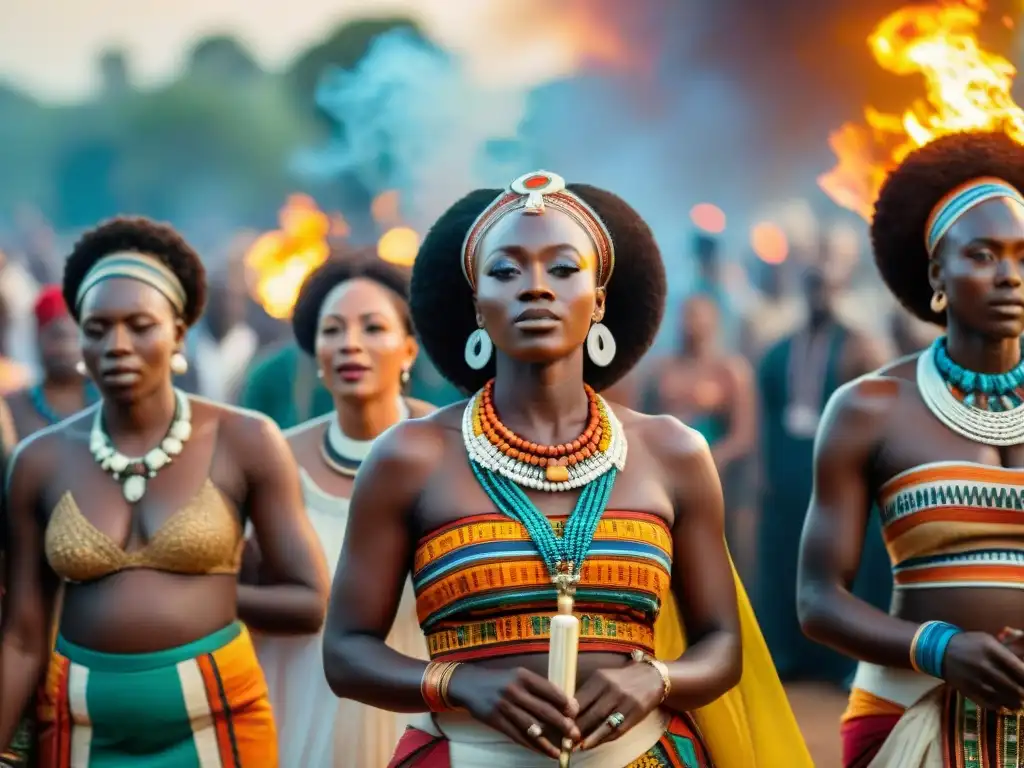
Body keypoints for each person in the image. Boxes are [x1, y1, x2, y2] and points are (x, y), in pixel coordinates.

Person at [322, 171, 810, 766]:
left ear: (598, 300)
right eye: (505, 271)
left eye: (562, 268)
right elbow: (346, 651)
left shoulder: (672, 452)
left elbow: (722, 646)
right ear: (478, 303)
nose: (535, 288)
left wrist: (653, 679)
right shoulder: (408, 456)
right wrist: (460, 683)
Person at [0, 217, 330, 767]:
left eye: (140, 325)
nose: (118, 345)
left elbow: (310, 601)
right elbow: (22, 637)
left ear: (178, 332)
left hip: (218, 722)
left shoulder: (244, 439)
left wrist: (196, 592)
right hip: (77, 727)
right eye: (98, 327)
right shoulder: (41, 459)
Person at [797, 132, 1024, 767]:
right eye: (982, 255)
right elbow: (817, 600)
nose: (1009, 276)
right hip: (908, 713)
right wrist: (940, 648)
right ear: (937, 275)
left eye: (1023, 256)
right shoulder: (869, 408)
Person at [247, 254, 432, 765]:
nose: (350, 343)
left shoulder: (453, 454)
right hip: (298, 718)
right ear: (316, 353)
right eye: (333, 330)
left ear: (409, 349)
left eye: (373, 327)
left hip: (423, 719)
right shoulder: (273, 461)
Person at [755, 264, 889, 684]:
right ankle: (788, 656)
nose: (820, 295)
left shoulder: (856, 345)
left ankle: (844, 664)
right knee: (786, 557)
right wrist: (761, 470)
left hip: (837, 463)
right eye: (813, 285)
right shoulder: (780, 349)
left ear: (840, 289)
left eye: (828, 287)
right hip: (787, 465)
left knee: (840, 557)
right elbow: (764, 411)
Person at [642, 294, 756, 567]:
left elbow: (743, 436)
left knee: (715, 553)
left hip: (714, 476)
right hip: (666, 476)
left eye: (699, 315)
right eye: (687, 314)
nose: (692, 322)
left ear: (714, 321)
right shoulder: (662, 369)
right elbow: (642, 420)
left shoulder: (730, 371)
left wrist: (709, 461)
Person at [5, 286, 97, 439]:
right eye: (58, 335)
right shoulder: (14, 409)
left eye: (76, 336)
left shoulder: (112, 403)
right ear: (37, 338)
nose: (67, 347)